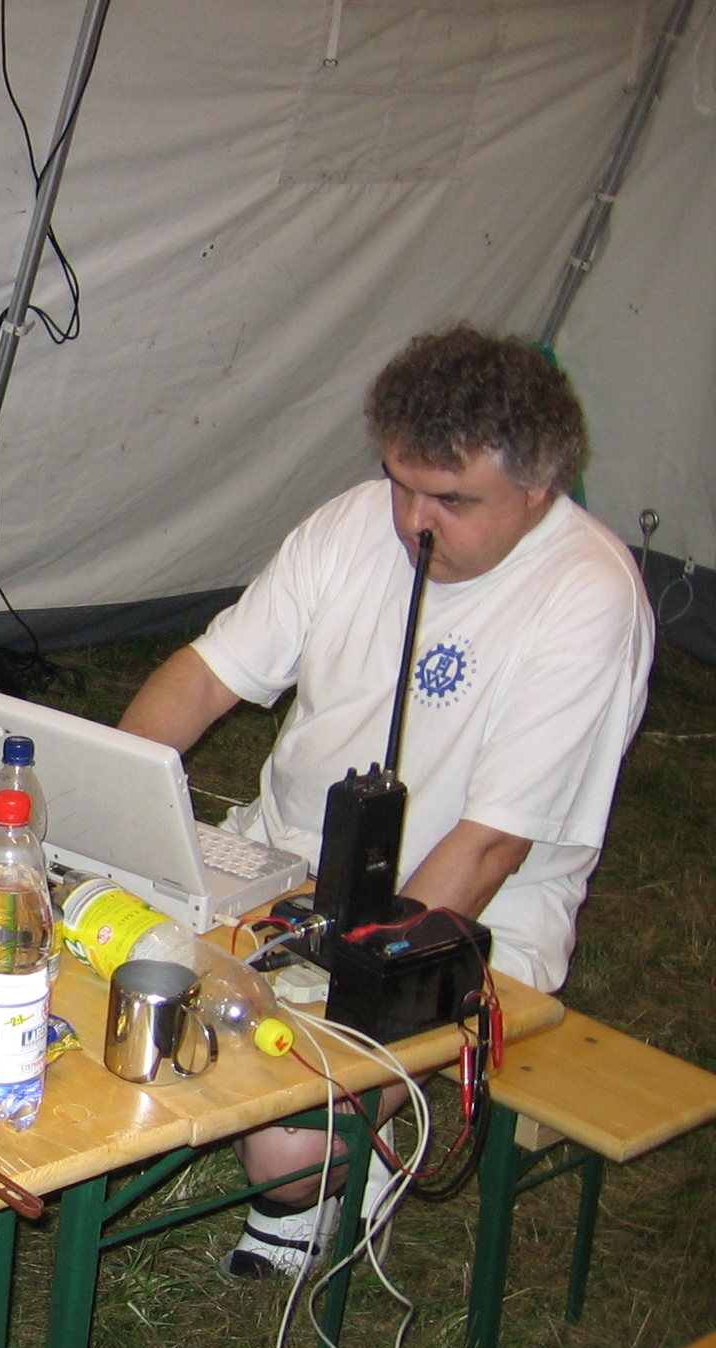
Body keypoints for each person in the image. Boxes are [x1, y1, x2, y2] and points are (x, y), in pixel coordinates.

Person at [118, 323, 653, 1279]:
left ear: (540, 487)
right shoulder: (352, 523)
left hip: (464, 921)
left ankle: (331, 1177)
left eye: (452, 499)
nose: (413, 519)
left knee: (285, 1143)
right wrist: (115, 805)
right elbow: (204, 676)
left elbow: (490, 849)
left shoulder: (589, 597)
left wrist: (351, 980)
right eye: (400, 482)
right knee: (87, 958)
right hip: (278, 861)